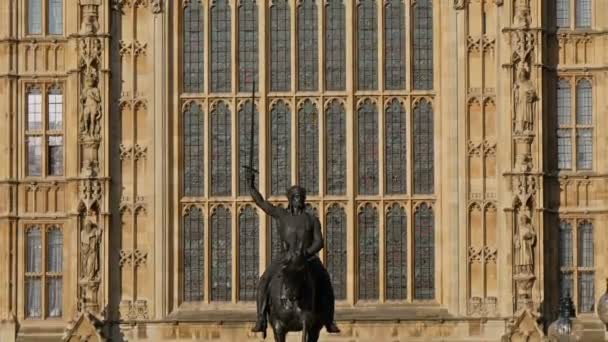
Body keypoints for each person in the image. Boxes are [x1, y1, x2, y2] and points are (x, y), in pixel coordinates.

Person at [247, 170, 340, 334]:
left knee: (325, 282)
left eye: (301, 197)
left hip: (308, 258)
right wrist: (251, 186)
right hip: (286, 257)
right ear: (290, 199)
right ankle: (261, 318)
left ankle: (329, 320)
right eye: (296, 197)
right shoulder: (281, 214)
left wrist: (307, 252)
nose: (299, 200)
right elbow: (261, 203)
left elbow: (319, 241)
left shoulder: (311, 219)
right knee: (264, 281)